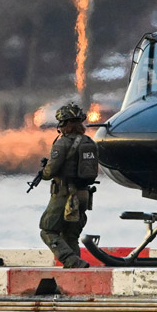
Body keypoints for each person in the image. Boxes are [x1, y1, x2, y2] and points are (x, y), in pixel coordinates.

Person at [38, 102, 98, 269]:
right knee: (71, 236)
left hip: (65, 195)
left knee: (48, 230)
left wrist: (43, 172)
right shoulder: (89, 142)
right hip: (84, 195)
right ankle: (76, 270)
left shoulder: (62, 143)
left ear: (65, 124)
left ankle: (72, 262)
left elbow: (50, 172)